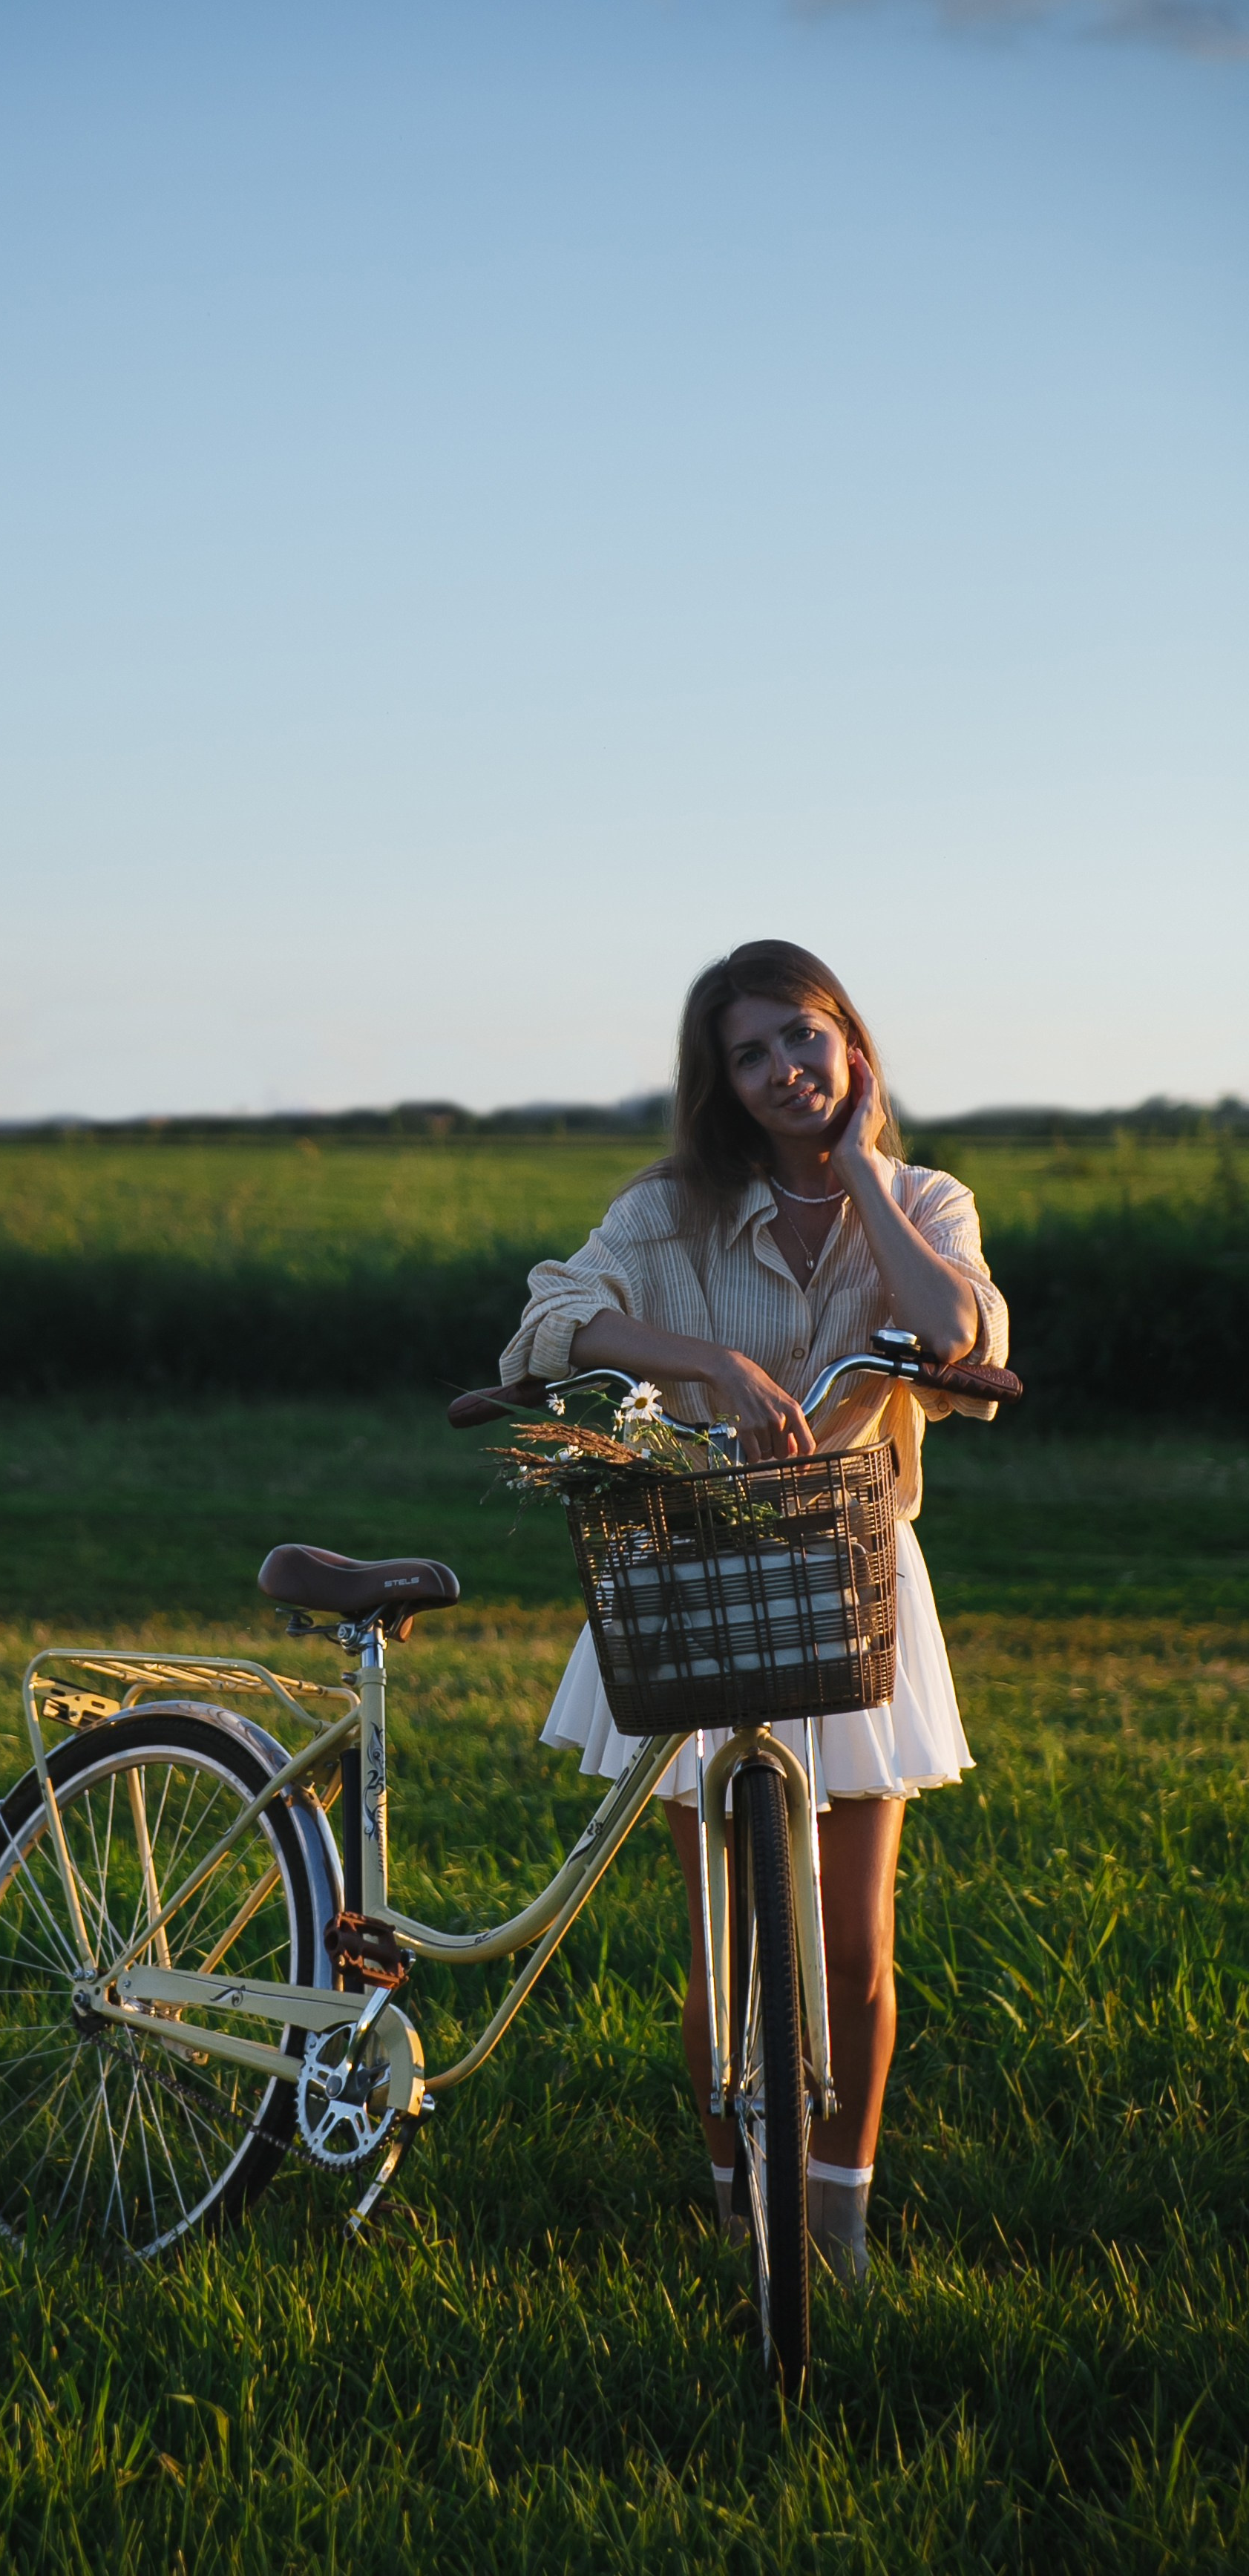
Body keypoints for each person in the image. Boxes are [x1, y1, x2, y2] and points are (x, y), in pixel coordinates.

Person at [499, 939, 1009, 2283]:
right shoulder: (665, 1214)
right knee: (727, 1942)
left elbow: (965, 1340)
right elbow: (546, 1322)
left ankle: (833, 2223)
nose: (785, 1068)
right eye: (751, 1052)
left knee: (851, 1940)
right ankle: (738, 2206)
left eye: (804, 1037)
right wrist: (700, 1357)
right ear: (719, 1080)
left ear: (849, 1044)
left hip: (856, 1582)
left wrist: (856, 1175)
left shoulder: (925, 1198)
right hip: (692, 1578)